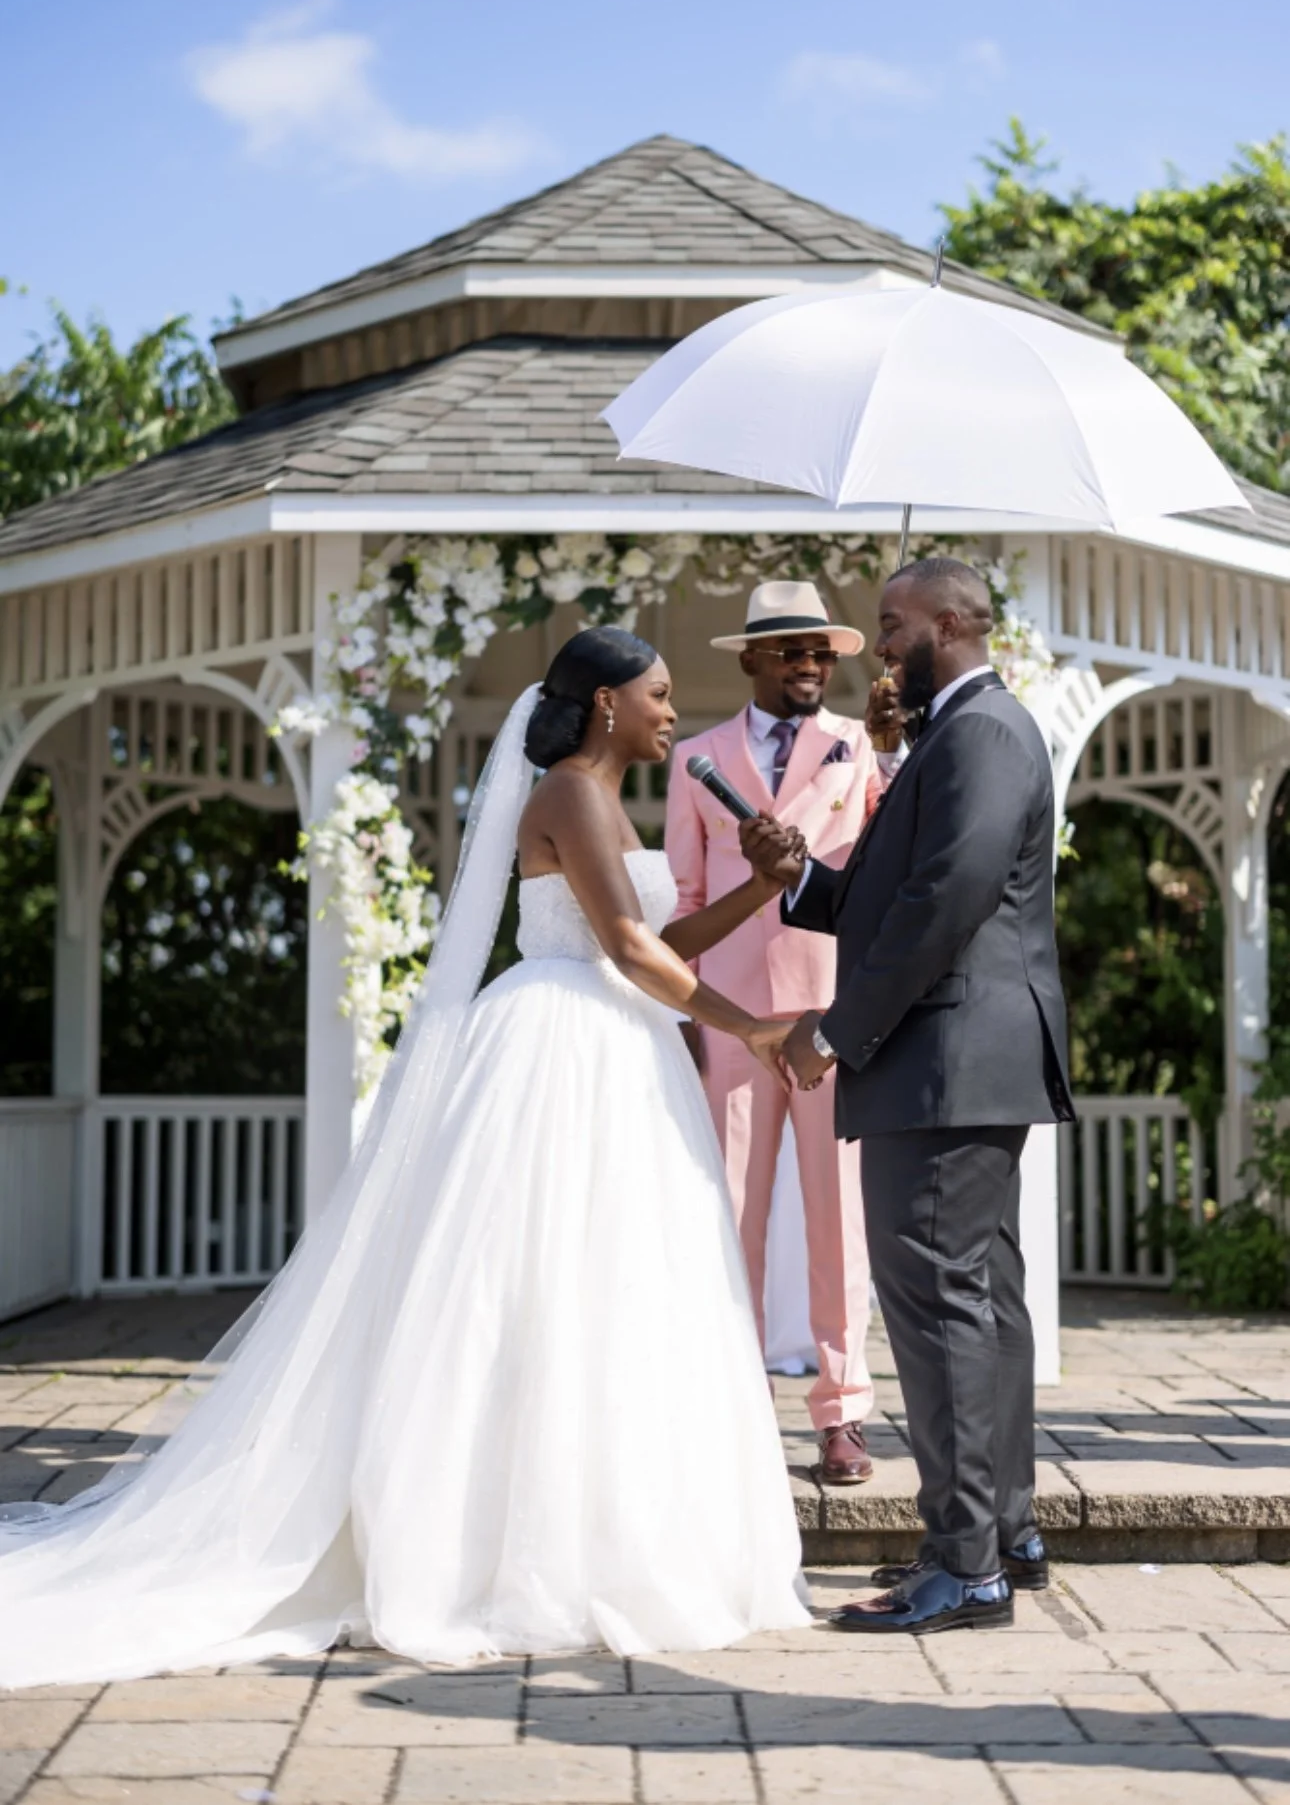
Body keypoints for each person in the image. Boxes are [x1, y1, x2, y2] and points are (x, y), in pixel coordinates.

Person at [0, 628, 812, 1687]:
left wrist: (757, 890)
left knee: (612, 1295)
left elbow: (660, 942)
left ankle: (606, 1535)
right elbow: (623, 946)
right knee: (519, 1296)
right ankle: (488, 1553)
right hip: (561, 1049)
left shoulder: (611, 801)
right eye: (657, 694)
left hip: (623, 1049)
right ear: (606, 703)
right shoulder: (567, 791)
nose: (673, 710)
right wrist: (751, 1027)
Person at [748, 556, 1074, 1638]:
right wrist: (800, 878)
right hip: (957, 1059)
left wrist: (835, 1029)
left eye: (890, 624)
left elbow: (945, 902)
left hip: (944, 1062)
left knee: (938, 1308)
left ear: (946, 621)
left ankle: (963, 1558)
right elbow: (896, 894)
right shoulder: (949, 733)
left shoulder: (981, 733)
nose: (878, 645)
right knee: (979, 1303)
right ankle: (1005, 1535)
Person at [665, 581, 902, 1483]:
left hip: (832, 1018)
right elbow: (685, 906)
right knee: (731, 1216)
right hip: (732, 1022)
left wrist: (889, 750)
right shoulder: (697, 759)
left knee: (840, 1219)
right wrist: (692, 1020)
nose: (811, 665)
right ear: (752, 659)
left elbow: (889, 863)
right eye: (793, 651)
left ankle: (841, 1412)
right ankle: (734, 1403)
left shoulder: (860, 747)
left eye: (824, 653)